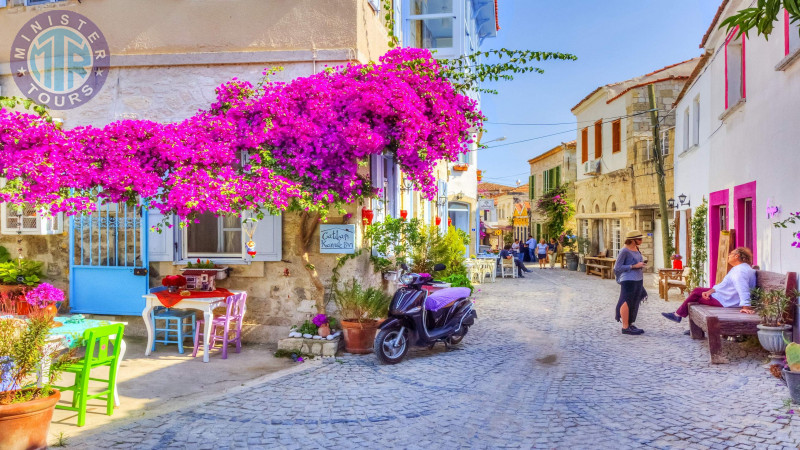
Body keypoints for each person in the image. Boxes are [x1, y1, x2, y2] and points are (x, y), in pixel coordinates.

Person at [662, 247, 756, 323]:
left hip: (727, 301)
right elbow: (724, 284)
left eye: (730, 254)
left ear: (737, 256)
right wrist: (710, 291)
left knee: (695, 296)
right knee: (696, 293)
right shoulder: (741, 268)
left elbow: (743, 288)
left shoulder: (739, 271)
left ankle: (678, 315)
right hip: (728, 297)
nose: (728, 255)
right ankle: (679, 315)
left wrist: (746, 306)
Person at [614, 230, 648, 335]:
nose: (641, 241)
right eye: (639, 239)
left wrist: (641, 264)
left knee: (635, 301)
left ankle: (630, 323)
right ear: (632, 240)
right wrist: (633, 266)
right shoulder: (624, 251)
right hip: (628, 279)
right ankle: (625, 327)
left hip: (638, 279)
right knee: (626, 300)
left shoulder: (636, 248)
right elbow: (617, 267)